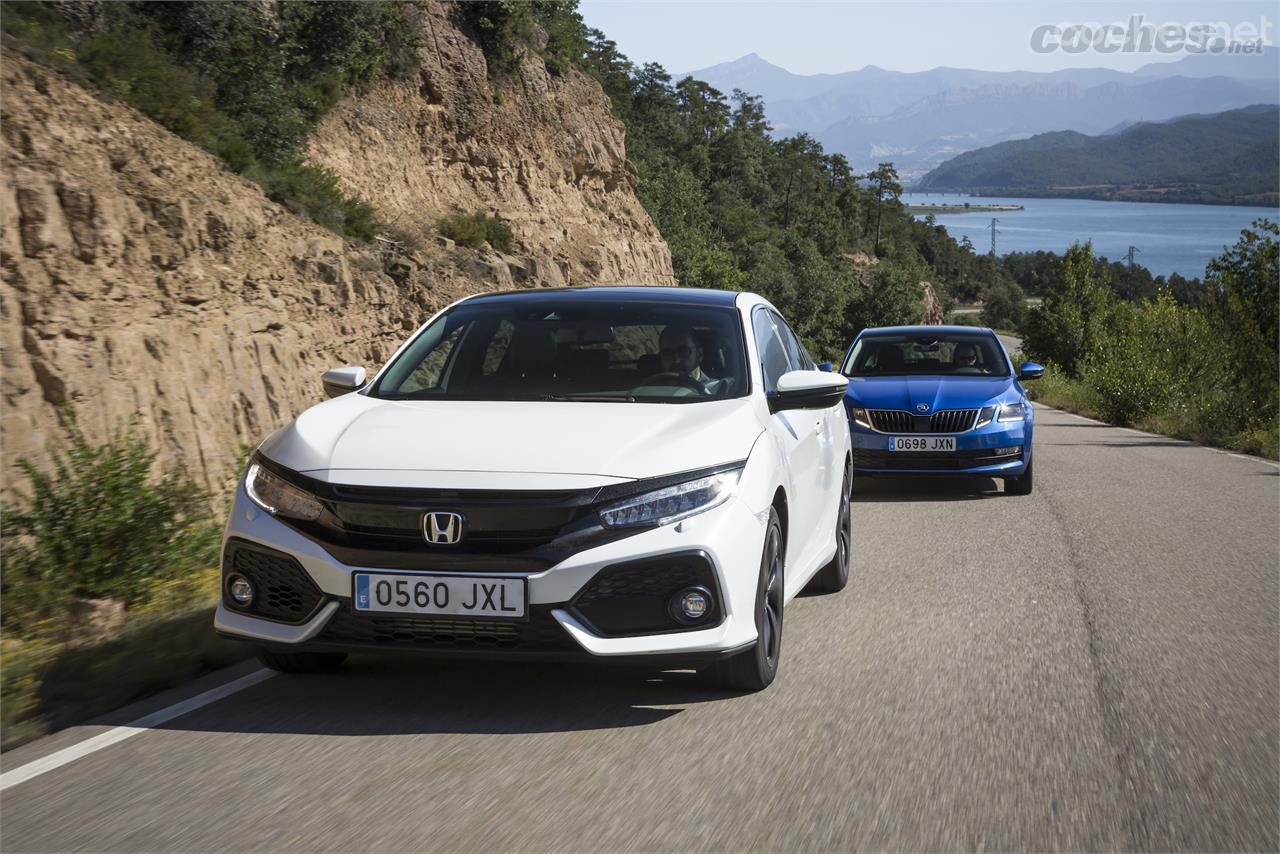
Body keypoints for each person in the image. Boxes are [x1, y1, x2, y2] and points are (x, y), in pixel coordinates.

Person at [657, 325, 722, 394]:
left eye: (684, 352)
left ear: (699, 355)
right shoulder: (647, 391)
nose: (676, 360)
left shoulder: (720, 391)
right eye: (667, 353)